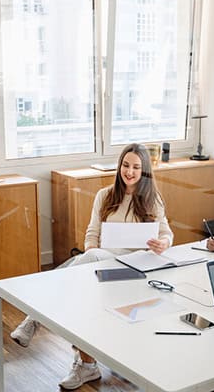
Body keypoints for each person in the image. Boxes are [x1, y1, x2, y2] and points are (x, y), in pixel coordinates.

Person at [10, 143, 173, 390]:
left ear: (145, 171)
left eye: (136, 167)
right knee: (84, 282)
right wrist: (91, 254)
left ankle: (34, 318)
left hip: (134, 271)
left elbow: (167, 234)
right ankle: (86, 364)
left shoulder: (153, 199)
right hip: (101, 264)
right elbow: (91, 234)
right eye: (125, 165)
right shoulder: (104, 195)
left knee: (82, 269)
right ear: (119, 166)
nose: (129, 172)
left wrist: (162, 243)